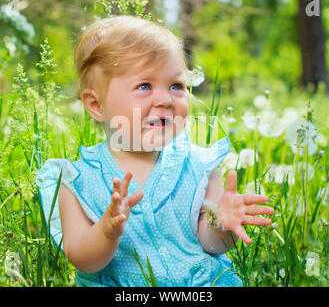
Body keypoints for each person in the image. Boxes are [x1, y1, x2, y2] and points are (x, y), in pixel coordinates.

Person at [35, 15, 274, 287]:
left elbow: (211, 244)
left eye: (176, 86)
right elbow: (81, 258)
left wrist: (223, 224)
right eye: (144, 86)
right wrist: (106, 231)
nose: (165, 99)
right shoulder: (76, 181)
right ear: (96, 105)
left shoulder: (200, 165)